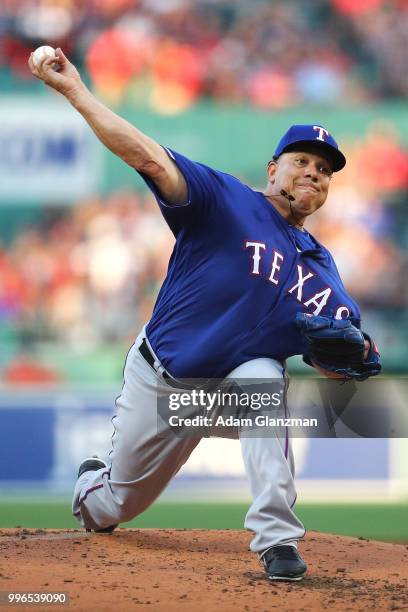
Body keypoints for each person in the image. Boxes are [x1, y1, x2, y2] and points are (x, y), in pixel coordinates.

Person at [29, 48, 375, 582]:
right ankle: (91, 483)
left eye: (325, 169)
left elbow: (348, 356)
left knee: (264, 379)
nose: (313, 172)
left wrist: (354, 361)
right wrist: (76, 91)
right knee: (112, 507)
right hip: (163, 382)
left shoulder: (323, 273)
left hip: (234, 390)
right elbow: (146, 155)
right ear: (273, 168)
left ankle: (277, 541)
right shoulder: (224, 199)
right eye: (302, 160)